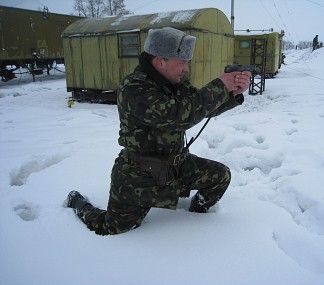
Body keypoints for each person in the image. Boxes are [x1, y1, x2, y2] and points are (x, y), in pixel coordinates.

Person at [65, 27, 251, 235]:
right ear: (160, 61)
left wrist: (231, 94)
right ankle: (79, 204)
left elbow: (198, 108)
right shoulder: (134, 88)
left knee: (220, 176)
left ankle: (195, 217)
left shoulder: (175, 83)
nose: (186, 69)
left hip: (176, 165)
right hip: (140, 174)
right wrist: (218, 86)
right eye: (182, 63)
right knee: (111, 228)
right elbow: (177, 117)